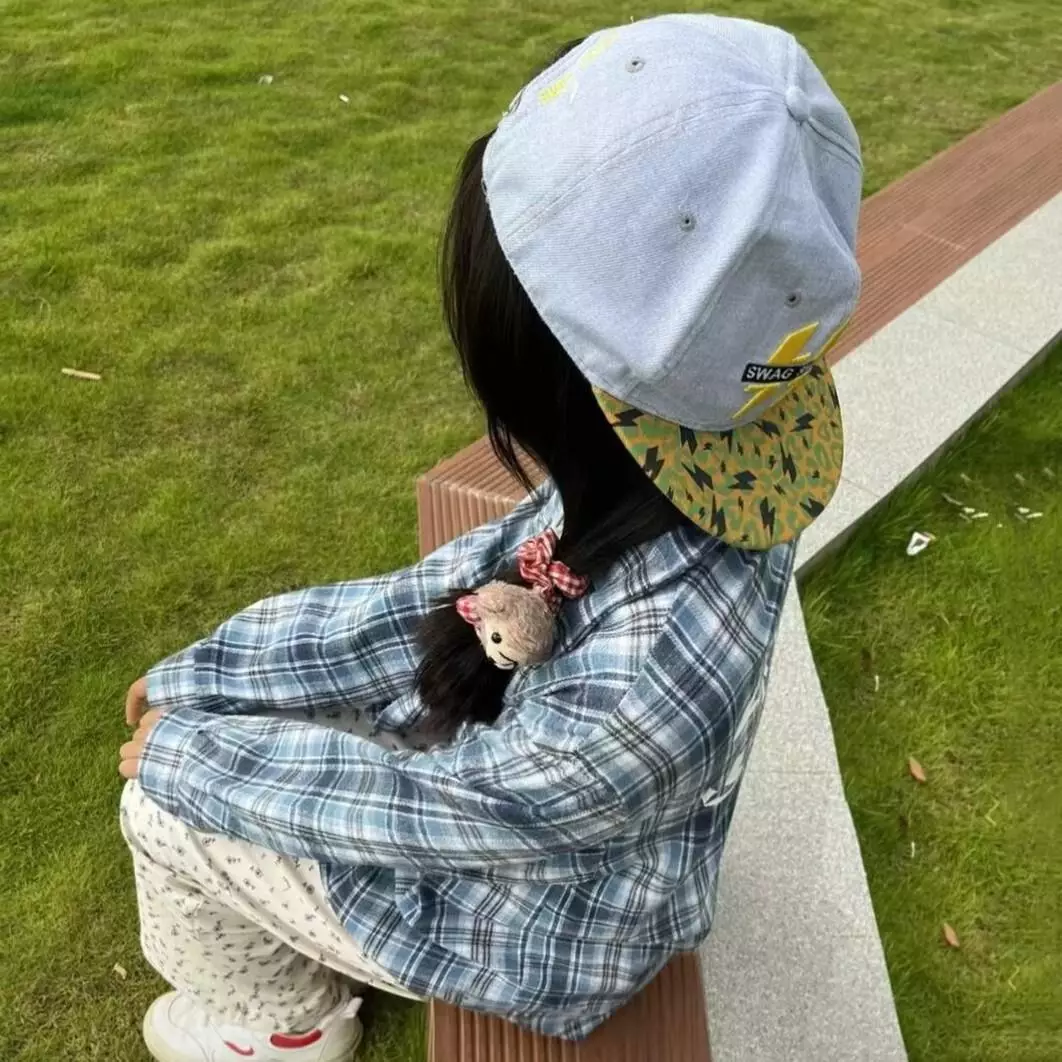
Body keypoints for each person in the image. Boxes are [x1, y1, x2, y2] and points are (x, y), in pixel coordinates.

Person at [119, 13, 862, 1061]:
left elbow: (463, 805)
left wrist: (192, 761)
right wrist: (216, 673)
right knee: (248, 740)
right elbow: (425, 603)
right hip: (542, 824)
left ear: (550, 383)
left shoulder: (648, 679)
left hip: (546, 936)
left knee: (159, 816)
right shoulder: (676, 467)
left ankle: (282, 1024)